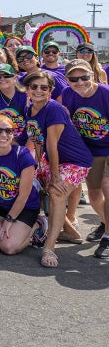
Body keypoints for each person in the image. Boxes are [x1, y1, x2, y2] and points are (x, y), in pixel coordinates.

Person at [23, 70, 92, 267]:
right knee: (31, 182)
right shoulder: (30, 109)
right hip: (51, 158)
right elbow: (37, 140)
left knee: (56, 192)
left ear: (51, 90)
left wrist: (54, 177)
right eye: (34, 86)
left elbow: (52, 145)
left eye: (44, 87)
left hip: (75, 160)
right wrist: (37, 168)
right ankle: (70, 232)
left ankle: (49, 248)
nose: (38, 90)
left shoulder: (54, 109)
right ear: (27, 89)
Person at [59, 60, 109, 256]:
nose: (79, 82)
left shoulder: (105, 93)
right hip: (91, 152)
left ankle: (107, 236)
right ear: (67, 80)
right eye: (73, 78)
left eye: (84, 77)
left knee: (107, 186)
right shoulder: (69, 94)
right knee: (95, 196)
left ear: (92, 75)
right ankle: (105, 223)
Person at [0, 115, 43, 256]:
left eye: (8, 131)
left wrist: (7, 222)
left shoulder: (23, 155)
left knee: (8, 247)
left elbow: (23, 196)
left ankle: (38, 225)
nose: (4, 135)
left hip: (25, 207)